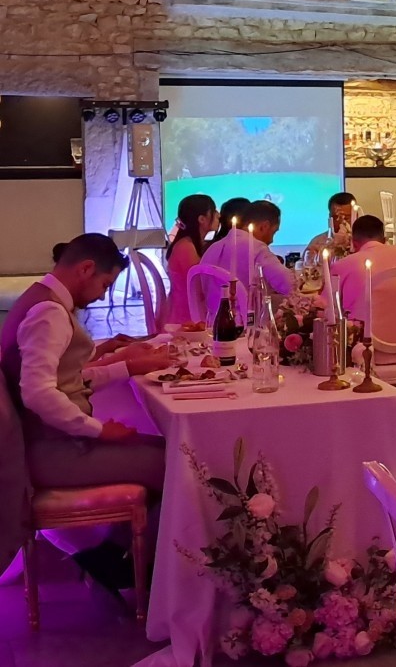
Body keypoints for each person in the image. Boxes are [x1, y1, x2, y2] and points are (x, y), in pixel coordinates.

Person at [0, 234, 171, 492]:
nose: (102, 297)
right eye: (105, 285)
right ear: (86, 269)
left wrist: (129, 367)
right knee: (180, 461)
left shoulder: (39, 298)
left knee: (172, 449)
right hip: (53, 453)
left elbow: (69, 379)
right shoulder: (48, 313)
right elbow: (37, 393)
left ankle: (149, 517)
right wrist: (98, 429)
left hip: (53, 443)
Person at [331, 215, 396, 362]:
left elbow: (326, 308)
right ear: (384, 239)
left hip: (361, 354)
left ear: (354, 243)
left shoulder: (343, 265)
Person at [200, 199, 293, 317]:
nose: (272, 240)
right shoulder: (257, 248)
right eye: (273, 232)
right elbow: (288, 285)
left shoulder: (212, 248)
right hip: (246, 321)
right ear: (264, 226)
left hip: (211, 320)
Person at [163, 194, 219, 327]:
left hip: (189, 313)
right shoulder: (186, 247)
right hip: (186, 319)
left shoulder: (190, 244)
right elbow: (199, 288)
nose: (218, 215)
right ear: (202, 219)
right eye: (214, 211)